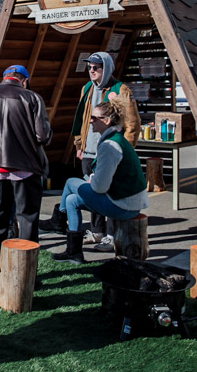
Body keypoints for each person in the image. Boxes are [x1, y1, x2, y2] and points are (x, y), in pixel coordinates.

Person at [41, 51, 139, 254]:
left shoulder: (120, 89)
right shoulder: (86, 88)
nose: (92, 71)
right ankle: (97, 232)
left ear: (107, 68)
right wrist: (79, 145)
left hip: (111, 150)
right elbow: (81, 119)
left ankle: (112, 236)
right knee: (93, 190)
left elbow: (133, 123)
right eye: (90, 67)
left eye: (96, 67)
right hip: (89, 150)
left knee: (111, 192)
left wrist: (124, 150)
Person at [52, 99, 148, 263]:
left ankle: (58, 219)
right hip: (127, 201)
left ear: (107, 120)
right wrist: (93, 179)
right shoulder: (116, 138)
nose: (90, 121)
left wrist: (92, 180)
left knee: (70, 183)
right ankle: (73, 251)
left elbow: (100, 187)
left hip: (123, 205)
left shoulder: (110, 145)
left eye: (95, 118)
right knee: (71, 200)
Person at [0, 64, 51, 251]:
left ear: (5, 77)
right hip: (25, 167)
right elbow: (43, 136)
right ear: (24, 80)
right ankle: (25, 274)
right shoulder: (32, 98)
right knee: (27, 218)